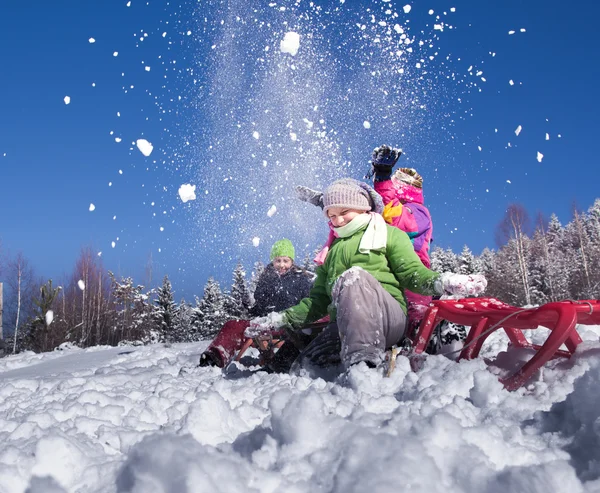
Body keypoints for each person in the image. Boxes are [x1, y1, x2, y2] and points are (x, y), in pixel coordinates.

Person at [248, 178, 486, 371]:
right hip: (343, 324)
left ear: (362, 207)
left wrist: (442, 282)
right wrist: (279, 319)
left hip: (387, 318)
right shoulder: (330, 252)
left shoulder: (388, 234)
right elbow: (317, 301)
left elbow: (413, 274)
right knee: (306, 369)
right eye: (331, 215)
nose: (338, 220)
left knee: (354, 278)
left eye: (344, 212)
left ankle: (364, 364)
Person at [198, 239, 313, 368]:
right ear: (272, 261)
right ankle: (215, 357)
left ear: (292, 261)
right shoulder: (266, 278)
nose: (282, 265)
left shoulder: (301, 279)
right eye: (278, 260)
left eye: (285, 261)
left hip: (289, 325)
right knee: (233, 326)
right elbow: (260, 307)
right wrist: (250, 306)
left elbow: (308, 304)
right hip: (265, 324)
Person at [369, 145, 434, 335]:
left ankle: (418, 334)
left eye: (392, 183)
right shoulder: (382, 210)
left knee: (415, 298)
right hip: (384, 266)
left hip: (411, 265)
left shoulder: (419, 211)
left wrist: (382, 177)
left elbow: (398, 219)